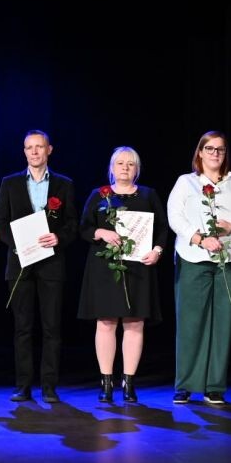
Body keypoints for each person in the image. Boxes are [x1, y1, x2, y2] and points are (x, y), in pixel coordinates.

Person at [167, 131, 231, 405]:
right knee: (191, 322)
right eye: (209, 148)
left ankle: (214, 386)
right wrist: (199, 239)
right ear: (200, 152)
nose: (215, 154)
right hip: (194, 257)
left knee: (223, 323)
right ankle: (185, 384)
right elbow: (175, 217)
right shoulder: (186, 182)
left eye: (220, 149)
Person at [77, 146, 168, 403]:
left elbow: (162, 229)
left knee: (134, 323)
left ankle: (129, 384)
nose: (125, 168)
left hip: (138, 267)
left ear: (137, 169)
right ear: (111, 168)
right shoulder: (98, 195)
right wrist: (101, 232)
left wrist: (157, 251)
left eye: (130, 164)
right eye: (120, 163)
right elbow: (84, 228)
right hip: (104, 268)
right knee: (106, 323)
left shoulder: (148, 195)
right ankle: (106, 384)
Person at [0, 130, 78, 403]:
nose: (34, 152)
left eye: (39, 147)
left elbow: (72, 223)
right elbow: (0, 221)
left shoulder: (64, 184)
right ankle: (23, 386)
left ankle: (49, 387)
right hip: (20, 263)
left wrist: (59, 237)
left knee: (52, 328)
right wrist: (18, 242)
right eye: (29, 147)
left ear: (49, 150)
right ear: (24, 151)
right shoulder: (10, 183)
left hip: (52, 264)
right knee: (23, 328)